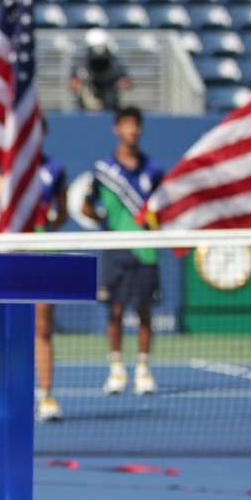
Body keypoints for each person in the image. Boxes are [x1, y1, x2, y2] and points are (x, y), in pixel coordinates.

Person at [81, 106, 168, 397]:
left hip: (146, 251)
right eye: (126, 124)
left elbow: (162, 206)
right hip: (115, 251)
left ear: (140, 129)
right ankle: (117, 369)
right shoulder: (103, 170)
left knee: (144, 311)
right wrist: (106, 223)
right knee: (115, 310)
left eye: (136, 124)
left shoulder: (153, 169)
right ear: (116, 129)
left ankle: (143, 370)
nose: (131, 130)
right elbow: (86, 205)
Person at [0, 115, 68, 421]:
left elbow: (61, 213)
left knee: (42, 327)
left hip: (43, 251)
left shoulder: (55, 169)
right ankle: (2, 395)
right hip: (10, 250)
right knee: (4, 326)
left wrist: (48, 221)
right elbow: (0, 196)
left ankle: (46, 395)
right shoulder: (3, 165)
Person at [69, 28, 132, 112]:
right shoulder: (82, 63)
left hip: (110, 102)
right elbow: (72, 83)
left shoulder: (114, 64)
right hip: (88, 104)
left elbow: (126, 82)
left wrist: (119, 84)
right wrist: (80, 85)